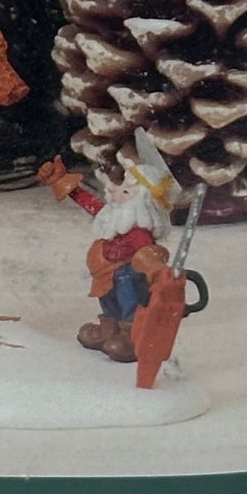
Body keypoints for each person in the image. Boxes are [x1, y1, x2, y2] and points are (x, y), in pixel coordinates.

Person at [38, 131, 178, 364]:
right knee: (108, 301)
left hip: (128, 276)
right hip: (105, 275)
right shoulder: (114, 215)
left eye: (126, 190)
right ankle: (109, 329)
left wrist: (156, 269)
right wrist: (60, 181)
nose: (115, 190)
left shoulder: (138, 230)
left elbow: (150, 256)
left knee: (129, 305)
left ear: (142, 202)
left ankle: (131, 336)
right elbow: (90, 203)